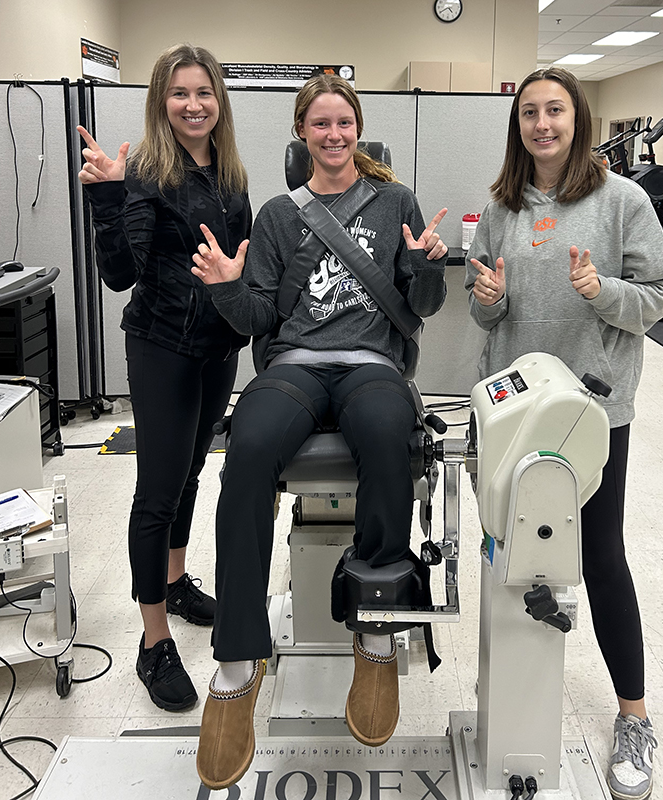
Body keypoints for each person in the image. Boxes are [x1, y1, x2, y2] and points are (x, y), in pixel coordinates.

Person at [189, 74, 448, 791]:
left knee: (391, 436)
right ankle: (238, 661)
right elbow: (259, 322)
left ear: (358, 131)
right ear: (301, 134)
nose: (334, 136)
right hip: (297, 365)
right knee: (245, 451)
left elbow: (421, 305)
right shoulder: (277, 215)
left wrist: (427, 266)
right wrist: (225, 287)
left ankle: (374, 631)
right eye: (320, 125)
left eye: (345, 124)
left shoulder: (394, 200)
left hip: (370, 363)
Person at [465, 67, 663, 800]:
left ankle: (634, 716)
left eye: (555, 110)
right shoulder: (501, 208)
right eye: (530, 112)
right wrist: (487, 299)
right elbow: (484, 308)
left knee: (601, 556)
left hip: (593, 412)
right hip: (515, 413)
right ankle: (509, 689)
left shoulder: (623, 202)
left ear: (577, 118)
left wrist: (604, 291)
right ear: (517, 124)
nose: (542, 124)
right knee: (512, 549)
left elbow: (662, 295)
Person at [76, 43, 252, 712]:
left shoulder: (230, 172)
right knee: (156, 492)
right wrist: (106, 198)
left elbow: (242, 257)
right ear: (162, 101)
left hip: (216, 349)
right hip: (162, 349)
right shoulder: (148, 173)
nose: (193, 104)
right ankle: (153, 641)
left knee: (190, 475)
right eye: (180, 93)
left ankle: (176, 583)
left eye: (203, 92)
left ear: (218, 101)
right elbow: (120, 274)